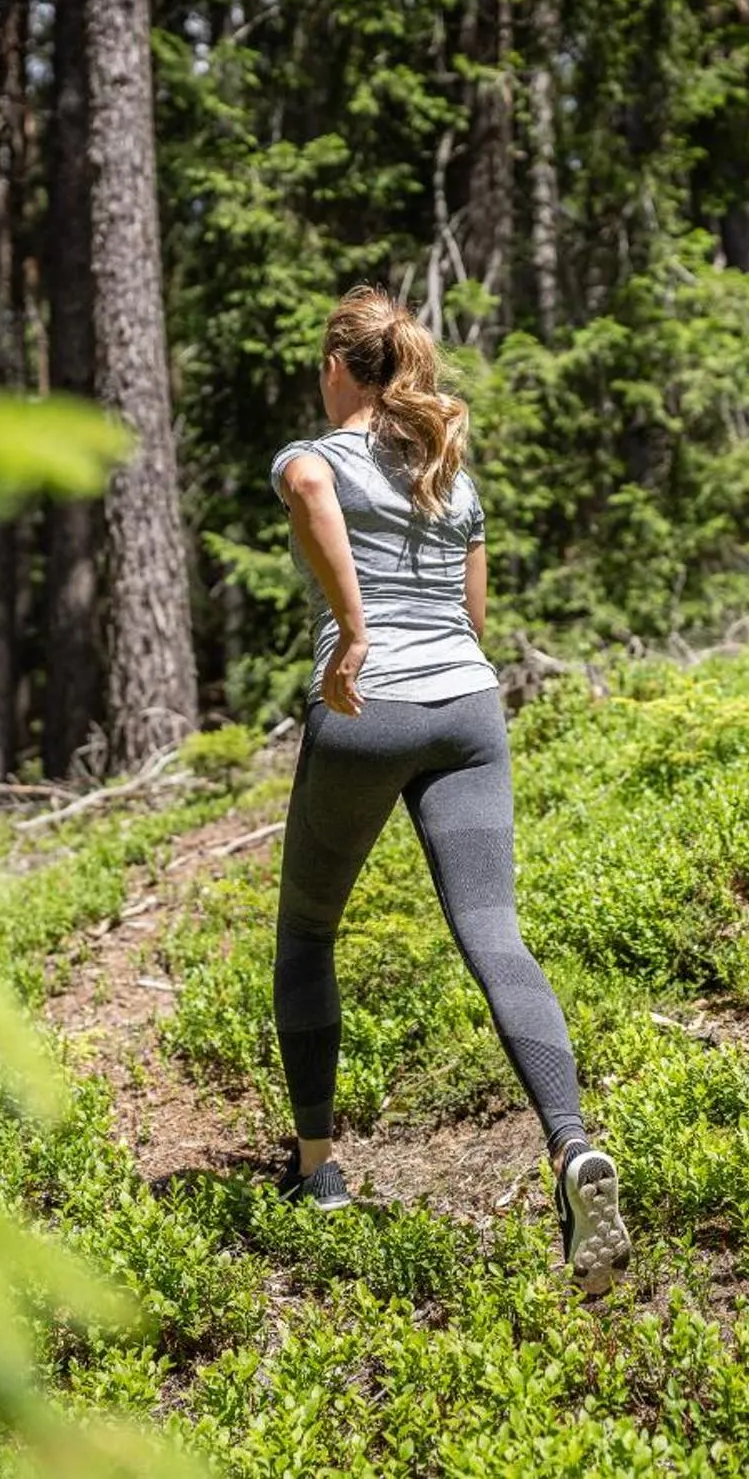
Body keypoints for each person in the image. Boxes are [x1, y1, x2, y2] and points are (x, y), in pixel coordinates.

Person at [266, 286, 631, 1297]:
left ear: (339, 365)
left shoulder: (321, 452)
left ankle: (316, 1170)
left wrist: (352, 624)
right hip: (469, 710)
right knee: (494, 928)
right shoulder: (447, 470)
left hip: (366, 707)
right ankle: (570, 1148)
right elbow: (473, 616)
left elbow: (301, 482)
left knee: (306, 933)